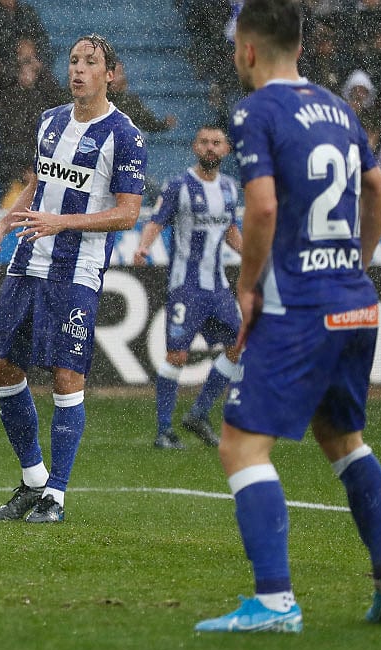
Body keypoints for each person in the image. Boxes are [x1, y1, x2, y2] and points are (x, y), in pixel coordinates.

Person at [195, 0, 381, 632]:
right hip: (354, 301)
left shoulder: (255, 111)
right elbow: (380, 192)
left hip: (299, 306)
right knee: (344, 441)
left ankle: (276, 602)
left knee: (241, 444)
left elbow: (261, 208)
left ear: (248, 49)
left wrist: (247, 286)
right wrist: (355, 264)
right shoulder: (339, 108)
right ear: (301, 46)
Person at [0, 34, 146, 524]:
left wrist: (63, 223)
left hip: (77, 270)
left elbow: (128, 214)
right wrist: (3, 226)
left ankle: (57, 495)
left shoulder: (125, 135)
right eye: (73, 60)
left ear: (109, 74)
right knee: (2, 367)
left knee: (66, 375)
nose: (78, 69)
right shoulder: (49, 121)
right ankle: (33, 479)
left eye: (90, 62)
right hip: (28, 259)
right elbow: (38, 185)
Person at [132, 126, 243, 450]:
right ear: (195, 147)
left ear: (226, 150)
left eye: (216, 143)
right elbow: (156, 220)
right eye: (204, 142)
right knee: (177, 355)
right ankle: (164, 430)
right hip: (186, 286)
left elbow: (229, 230)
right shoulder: (179, 186)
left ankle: (198, 413)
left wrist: (254, 256)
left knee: (238, 347)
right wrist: (143, 246)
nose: (210, 147)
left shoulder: (229, 188)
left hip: (218, 287)